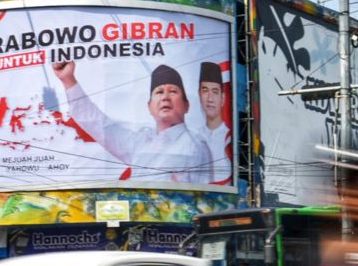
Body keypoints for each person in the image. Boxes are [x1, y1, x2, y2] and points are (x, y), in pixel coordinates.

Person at [52, 61, 213, 183]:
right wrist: (68, 80)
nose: (165, 97)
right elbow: (97, 123)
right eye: (158, 92)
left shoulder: (195, 145)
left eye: (173, 91)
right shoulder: (140, 142)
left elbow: (206, 195)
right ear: (149, 107)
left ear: (186, 105)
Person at [197, 62, 232, 185]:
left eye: (215, 91)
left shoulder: (230, 139)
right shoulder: (193, 137)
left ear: (222, 98)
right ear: (199, 94)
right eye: (205, 91)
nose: (210, 98)